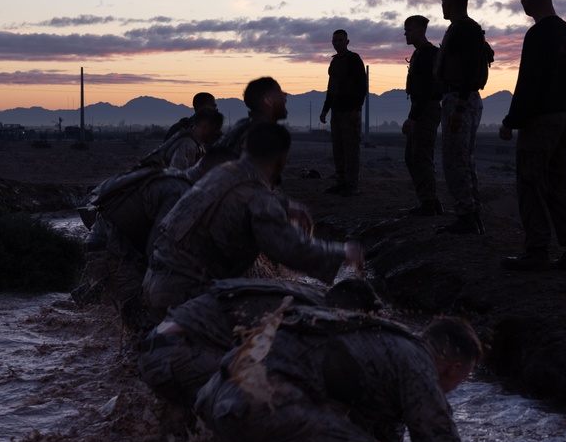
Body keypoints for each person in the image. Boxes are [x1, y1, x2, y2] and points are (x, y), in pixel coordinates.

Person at [195, 312, 482, 442]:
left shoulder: (385, 345)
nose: (453, 390)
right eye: (460, 380)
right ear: (452, 368)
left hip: (216, 397)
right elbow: (438, 438)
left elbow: (379, 438)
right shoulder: (418, 363)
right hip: (260, 403)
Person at [143, 122, 363, 322]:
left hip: (155, 279)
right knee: (285, 318)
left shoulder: (222, 172)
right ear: (282, 158)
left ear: (246, 148)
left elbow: (238, 196)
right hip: (187, 292)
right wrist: (342, 252)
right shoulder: (259, 199)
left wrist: (284, 206)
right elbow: (290, 249)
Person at [137, 277, 381, 407]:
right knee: (280, 398)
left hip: (156, 349)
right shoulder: (308, 315)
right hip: (173, 357)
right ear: (345, 311)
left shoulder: (304, 294)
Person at [81, 148, 234, 330]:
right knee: (144, 323)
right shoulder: (179, 191)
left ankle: (73, 305)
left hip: (111, 246)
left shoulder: (175, 178)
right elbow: (158, 247)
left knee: (135, 306)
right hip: (112, 252)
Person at [499, 0, 566, 271]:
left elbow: (528, 83)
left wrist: (512, 121)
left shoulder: (538, 35)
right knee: (559, 185)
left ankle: (536, 250)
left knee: (530, 183)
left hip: (541, 123)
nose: (521, 1)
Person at [434, 0, 488, 235]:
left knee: (455, 159)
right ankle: (472, 214)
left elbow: (468, 68)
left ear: (451, 2)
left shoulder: (466, 30)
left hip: (460, 100)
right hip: (460, 99)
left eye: (443, 1)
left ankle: (466, 217)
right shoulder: (462, 29)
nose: (442, 6)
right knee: (464, 158)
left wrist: (459, 105)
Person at [401, 15, 443, 216]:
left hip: (426, 110)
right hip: (422, 108)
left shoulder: (427, 54)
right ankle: (430, 201)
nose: (406, 33)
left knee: (420, 157)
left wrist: (413, 117)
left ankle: (428, 203)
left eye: (409, 29)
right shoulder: (420, 53)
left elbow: (427, 89)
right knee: (412, 156)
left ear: (420, 31)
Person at [319, 29, 368, 197]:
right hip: (336, 111)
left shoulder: (354, 60)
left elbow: (362, 86)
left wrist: (357, 109)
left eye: (340, 40)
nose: (337, 43)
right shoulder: (334, 62)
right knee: (338, 148)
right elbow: (331, 88)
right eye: (335, 41)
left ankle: (352, 185)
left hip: (350, 111)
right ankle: (341, 182)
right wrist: (325, 110)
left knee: (351, 148)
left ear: (347, 42)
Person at [216, 77, 288, 158]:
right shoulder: (264, 134)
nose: (285, 95)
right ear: (268, 100)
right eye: (280, 91)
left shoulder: (240, 126)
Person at [138, 107, 224, 170]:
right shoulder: (187, 145)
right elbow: (175, 177)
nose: (216, 134)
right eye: (215, 129)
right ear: (206, 127)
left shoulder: (188, 139)